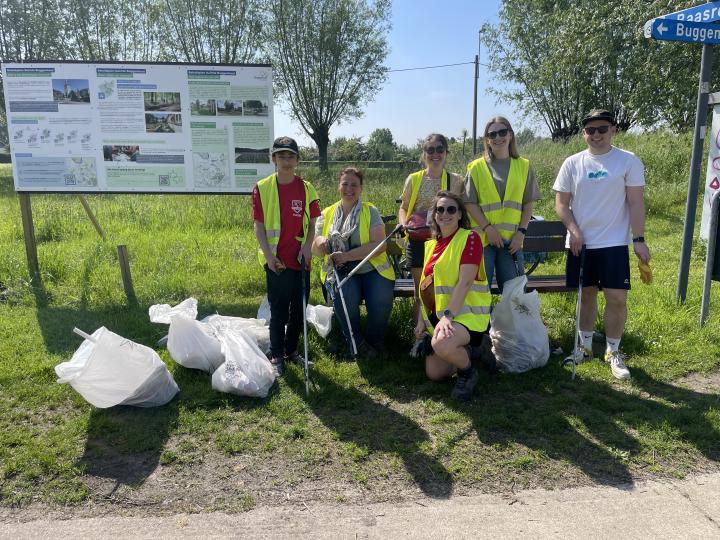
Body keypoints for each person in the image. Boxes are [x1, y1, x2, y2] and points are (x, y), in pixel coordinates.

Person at [553, 109, 651, 380]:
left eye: (602, 129)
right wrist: (574, 231)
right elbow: (561, 204)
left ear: (613, 130)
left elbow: (636, 202)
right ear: (584, 133)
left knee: (617, 299)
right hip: (580, 243)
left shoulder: (628, 161)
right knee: (586, 296)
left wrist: (639, 239)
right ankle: (584, 348)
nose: (596, 135)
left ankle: (613, 351)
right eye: (590, 130)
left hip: (614, 243)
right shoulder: (572, 163)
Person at [252, 136, 320, 376]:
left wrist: (307, 247)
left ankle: (291, 351)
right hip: (277, 262)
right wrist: (269, 256)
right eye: (281, 155)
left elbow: (313, 224)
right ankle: (276, 353)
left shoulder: (307, 188)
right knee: (279, 310)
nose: (286, 160)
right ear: (274, 159)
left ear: (297, 160)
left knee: (298, 311)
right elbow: (259, 225)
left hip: (301, 261)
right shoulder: (262, 187)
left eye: (291, 156)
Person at [414, 190, 492, 401]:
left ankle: (468, 372)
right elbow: (425, 287)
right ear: (434, 215)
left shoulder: (470, 238)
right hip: (442, 318)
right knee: (435, 374)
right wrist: (421, 321)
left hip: (467, 317)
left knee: (442, 345)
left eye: (451, 209)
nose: (445, 214)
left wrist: (448, 316)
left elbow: (466, 282)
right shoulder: (430, 246)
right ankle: (474, 352)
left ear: (459, 214)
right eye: (440, 209)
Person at [312, 167, 395, 359]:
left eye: (354, 185)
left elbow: (380, 245)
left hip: (373, 268)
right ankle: (356, 343)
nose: (349, 189)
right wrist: (322, 243)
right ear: (338, 186)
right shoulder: (327, 213)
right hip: (340, 271)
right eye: (345, 184)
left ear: (361, 188)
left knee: (381, 299)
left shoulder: (370, 211)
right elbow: (314, 244)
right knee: (344, 295)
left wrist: (348, 256)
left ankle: (376, 342)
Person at [464, 116, 542, 293]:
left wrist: (521, 233)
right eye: (492, 134)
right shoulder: (475, 167)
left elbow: (528, 203)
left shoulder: (523, 166)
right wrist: (488, 229)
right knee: (478, 292)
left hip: (511, 241)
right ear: (487, 140)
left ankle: (508, 323)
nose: (498, 137)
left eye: (502, 132)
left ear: (510, 135)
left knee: (514, 294)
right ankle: (484, 322)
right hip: (483, 240)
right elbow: (469, 203)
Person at [398, 134, 464, 318]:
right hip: (418, 240)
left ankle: (442, 330)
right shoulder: (413, 179)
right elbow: (403, 207)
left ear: (446, 153)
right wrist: (404, 224)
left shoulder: (457, 180)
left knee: (445, 289)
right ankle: (419, 336)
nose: (435, 154)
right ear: (424, 153)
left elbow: (463, 210)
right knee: (421, 289)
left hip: (445, 241)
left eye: (439, 149)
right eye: (430, 150)